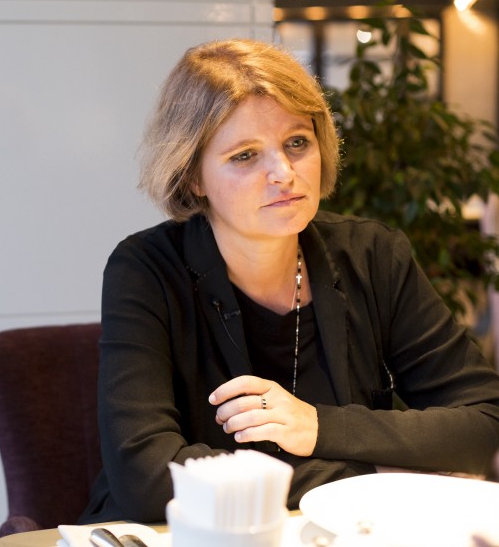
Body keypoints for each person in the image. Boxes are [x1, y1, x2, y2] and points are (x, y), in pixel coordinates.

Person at [79, 38, 499, 524]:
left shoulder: (373, 255)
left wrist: (318, 426)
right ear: (193, 175)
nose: (283, 172)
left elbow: (485, 421)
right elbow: (147, 479)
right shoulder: (145, 269)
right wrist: (372, 473)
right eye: (245, 155)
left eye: (297, 143)